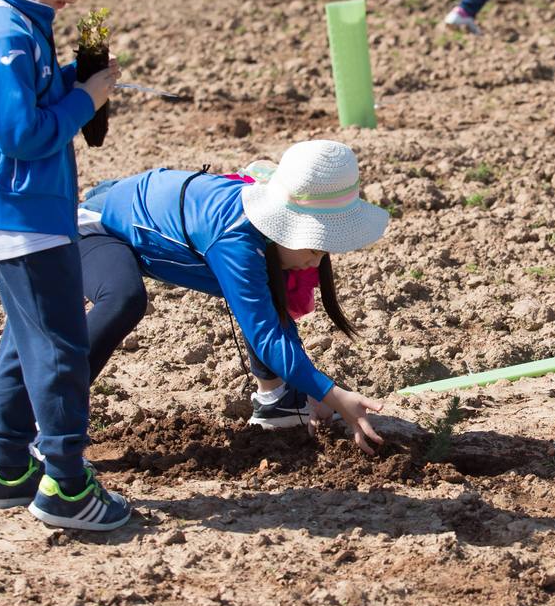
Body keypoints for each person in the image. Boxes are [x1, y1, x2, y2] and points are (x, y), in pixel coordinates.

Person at [0, 0, 153, 531]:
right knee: (61, 347)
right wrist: (84, 101)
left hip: (17, 208)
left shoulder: (12, 14)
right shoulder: (8, 29)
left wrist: (73, 78)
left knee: (25, 339)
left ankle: (8, 467)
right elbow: (23, 133)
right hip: (25, 212)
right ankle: (65, 484)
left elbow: (22, 106)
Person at [75, 140, 390, 455]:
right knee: (124, 298)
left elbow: (269, 317)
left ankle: (277, 400)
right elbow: (265, 333)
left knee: (265, 286)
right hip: (96, 228)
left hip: (135, 212)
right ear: (283, 223)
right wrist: (332, 394)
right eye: (312, 247)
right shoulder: (236, 241)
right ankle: (50, 415)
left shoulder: (263, 235)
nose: (316, 262)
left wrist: (316, 389)